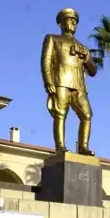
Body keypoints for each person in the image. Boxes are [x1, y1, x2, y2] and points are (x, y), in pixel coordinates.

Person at [41, 8, 98, 155]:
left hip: (79, 86)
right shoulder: (53, 39)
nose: (73, 23)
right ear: (61, 23)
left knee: (87, 115)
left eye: (75, 22)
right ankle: (60, 146)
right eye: (70, 20)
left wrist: (87, 58)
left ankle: (83, 147)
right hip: (61, 81)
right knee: (60, 114)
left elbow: (93, 71)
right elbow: (46, 62)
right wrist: (48, 82)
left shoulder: (83, 47)